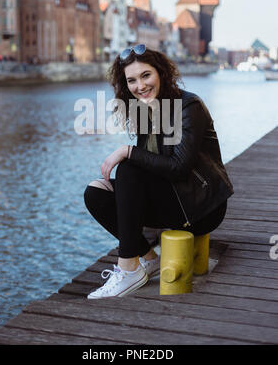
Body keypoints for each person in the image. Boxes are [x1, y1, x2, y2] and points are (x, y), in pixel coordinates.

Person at [84, 44, 234, 299]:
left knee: (130, 164)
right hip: (172, 199)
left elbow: (178, 168)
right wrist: (127, 167)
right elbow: (151, 169)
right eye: (131, 80)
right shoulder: (145, 111)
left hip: (201, 208)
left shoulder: (189, 106)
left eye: (145, 75)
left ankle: (128, 268)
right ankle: (149, 259)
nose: (139, 86)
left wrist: (127, 151)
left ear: (161, 73)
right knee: (95, 193)